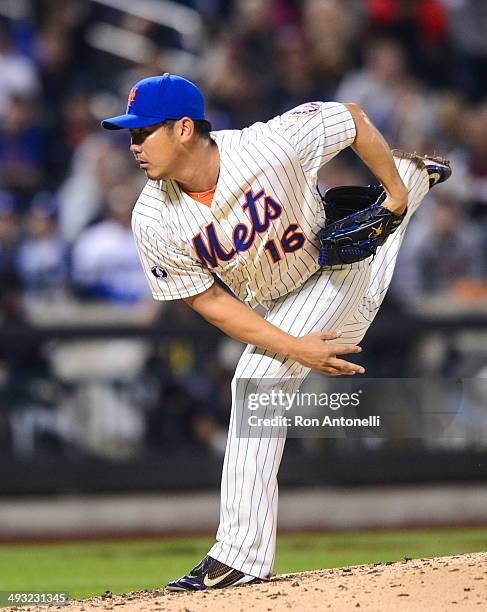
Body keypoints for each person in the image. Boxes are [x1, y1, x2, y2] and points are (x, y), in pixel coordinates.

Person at [101, 74, 451, 591]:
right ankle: (410, 178)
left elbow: (352, 118)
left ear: (182, 129)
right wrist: (293, 346)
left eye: (142, 132)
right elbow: (209, 301)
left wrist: (393, 201)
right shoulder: (152, 217)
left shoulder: (268, 145)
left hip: (328, 269)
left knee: (255, 383)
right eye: (129, 135)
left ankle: (239, 556)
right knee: (366, 270)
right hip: (281, 301)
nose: (133, 146)